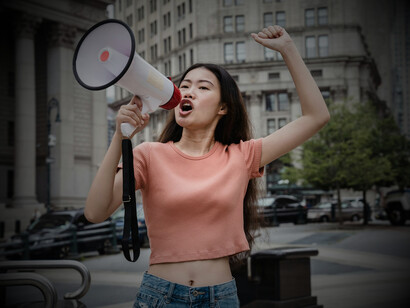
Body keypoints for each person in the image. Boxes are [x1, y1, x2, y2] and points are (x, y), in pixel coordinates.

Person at [85, 25, 330, 308]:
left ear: (222, 107)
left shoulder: (242, 155)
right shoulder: (148, 155)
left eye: (203, 87)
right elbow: (94, 212)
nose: (189, 92)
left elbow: (316, 116)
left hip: (220, 297)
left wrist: (288, 49)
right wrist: (120, 136)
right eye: (185, 85)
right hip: (160, 296)